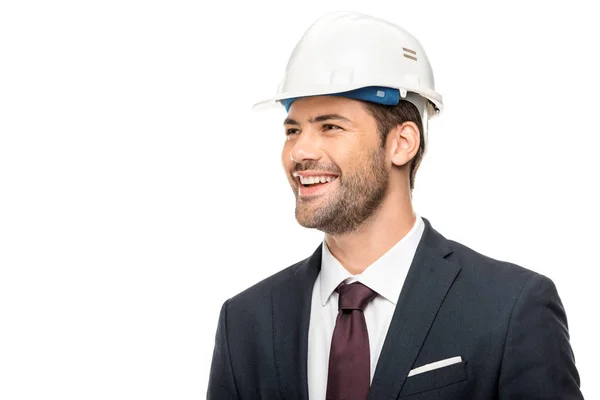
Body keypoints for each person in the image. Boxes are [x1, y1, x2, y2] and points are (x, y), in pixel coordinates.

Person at [207, 11, 583, 399]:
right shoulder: (245, 323)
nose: (299, 151)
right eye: (292, 130)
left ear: (402, 143)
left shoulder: (510, 307)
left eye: (330, 126)